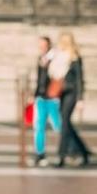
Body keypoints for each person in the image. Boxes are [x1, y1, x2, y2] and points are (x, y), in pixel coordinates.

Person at [52, 32, 90, 168]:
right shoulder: (59, 57)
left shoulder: (74, 58)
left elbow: (80, 79)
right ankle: (83, 151)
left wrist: (80, 98)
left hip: (72, 92)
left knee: (65, 123)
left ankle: (61, 155)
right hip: (62, 92)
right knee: (66, 123)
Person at [32, 35, 61, 167]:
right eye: (40, 45)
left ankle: (67, 151)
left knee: (58, 126)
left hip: (53, 97)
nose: (41, 48)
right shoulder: (40, 58)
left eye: (43, 45)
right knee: (39, 126)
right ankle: (40, 154)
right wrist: (35, 94)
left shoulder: (55, 58)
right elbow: (40, 79)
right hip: (41, 97)